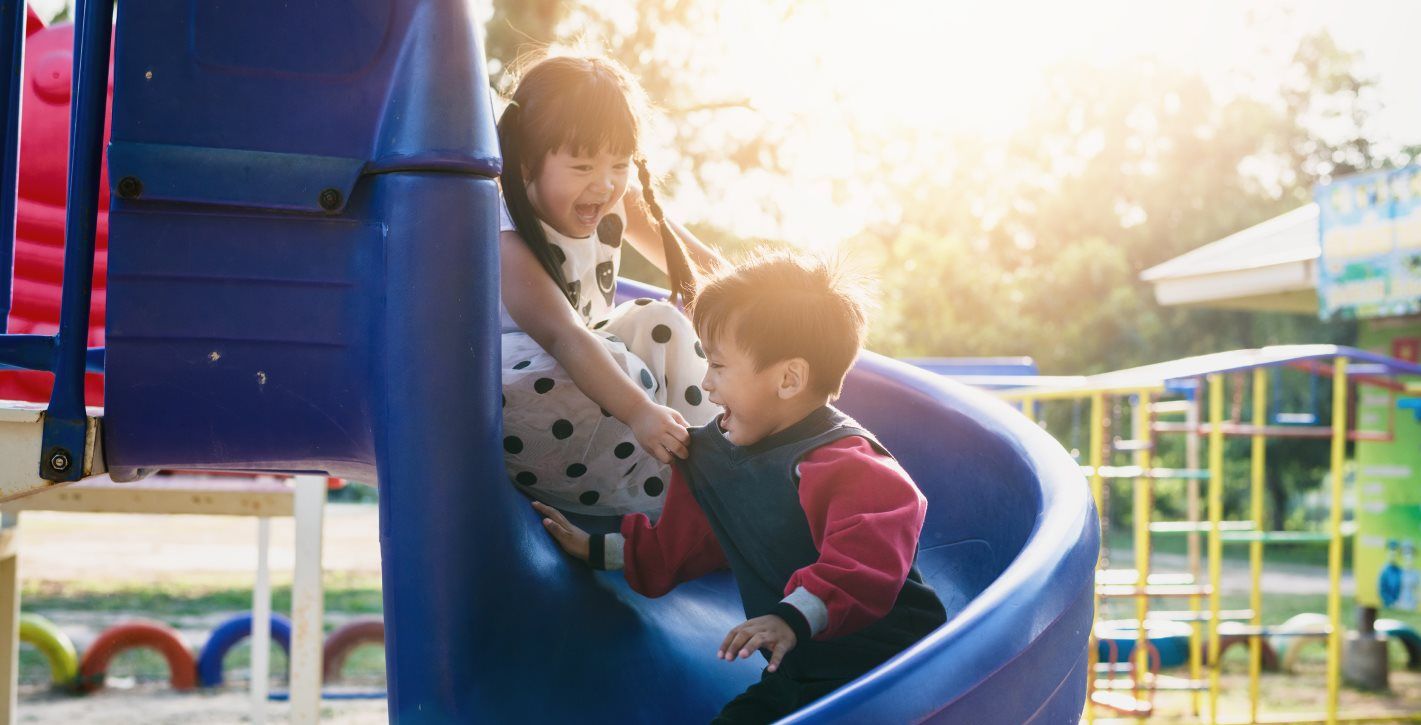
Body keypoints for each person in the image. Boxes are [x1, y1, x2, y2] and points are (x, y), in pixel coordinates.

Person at [534, 252, 948, 723]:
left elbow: (866, 560)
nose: (706, 384)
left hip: (902, 670)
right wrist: (597, 551)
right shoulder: (715, 458)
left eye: (718, 365)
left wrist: (790, 617)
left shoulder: (848, 464)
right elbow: (679, 547)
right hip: (797, 671)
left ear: (789, 379)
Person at [497, 53, 723, 518]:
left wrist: (775, 305)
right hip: (522, 401)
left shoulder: (621, 202)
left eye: (619, 164)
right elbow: (564, 335)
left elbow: (704, 271)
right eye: (582, 167)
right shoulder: (505, 234)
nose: (604, 185)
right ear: (525, 164)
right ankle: (656, 501)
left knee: (659, 320)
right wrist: (641, 410)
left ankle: (723, 466)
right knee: (617, 359)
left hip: (595, 390)